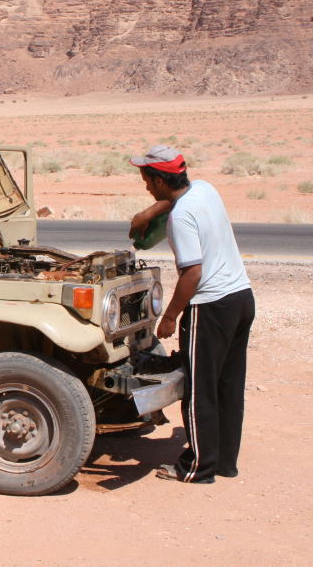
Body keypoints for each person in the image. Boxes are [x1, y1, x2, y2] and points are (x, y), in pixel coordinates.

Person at [128, 145, 255, 484]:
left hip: (210, 307)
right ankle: (224, 462)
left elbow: (192, 274)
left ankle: (197, 467)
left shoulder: (180, 219)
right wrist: (146, 213)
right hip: (242, 298)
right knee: (229, 386)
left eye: (146, 181)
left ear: (158, 179)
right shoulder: (205, 189)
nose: (146, 187)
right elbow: (173, 198)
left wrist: (169, 317)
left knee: (199, 390)